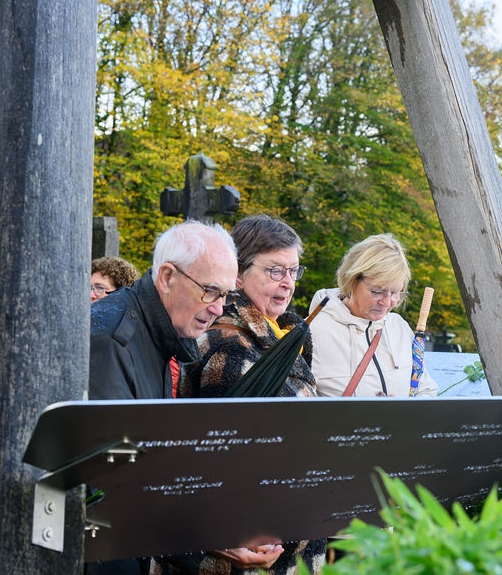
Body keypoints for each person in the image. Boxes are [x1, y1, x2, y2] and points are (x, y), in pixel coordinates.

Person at [90, 220, 280, 574]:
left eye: (225, 295)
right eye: (210, 291)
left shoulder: (160, 330)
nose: (219, 308)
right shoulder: (111, 342)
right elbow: (113, 483)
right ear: (166, 277)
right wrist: (208, 537)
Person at [156, 214, 324, 575]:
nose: (287, 284)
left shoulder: (284, 335)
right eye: (275, 271)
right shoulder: (227, 344)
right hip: (245, 553)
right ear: (237, 274)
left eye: (294, 271)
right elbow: (232, 462)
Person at [310, 234, 438, 398]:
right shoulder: (315, 332)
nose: (387, 302)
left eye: (395, 292)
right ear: (352, 280)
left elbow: (425, 389)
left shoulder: (399, 327)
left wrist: (405, 414)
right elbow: (300, 409)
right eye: (378, 291)